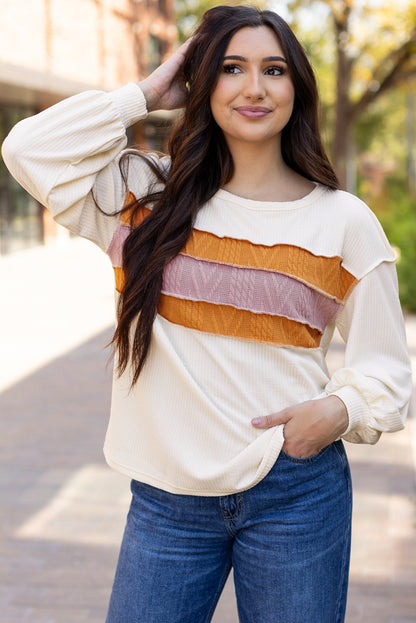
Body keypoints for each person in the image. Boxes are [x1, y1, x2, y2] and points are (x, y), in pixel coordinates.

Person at [1, 5, 412, 622]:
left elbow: (387, 372)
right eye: (229, 68)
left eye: (273, 70)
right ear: (201, 82)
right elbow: (29, 148)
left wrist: (338, 410)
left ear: (297, 87)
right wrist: (147, 91)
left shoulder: (343, 220)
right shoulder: (143, 202)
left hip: (294, 491)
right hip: (167, 503)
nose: (254, 87)